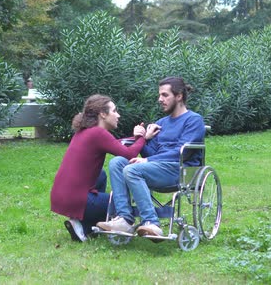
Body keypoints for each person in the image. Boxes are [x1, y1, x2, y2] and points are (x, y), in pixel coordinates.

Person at [96, 77, 205, 238]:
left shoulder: (194, 120)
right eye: (160, 95)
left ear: (179, 96)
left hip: (180, 170)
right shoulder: (161, 123)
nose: (160, 99)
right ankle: (124, 219)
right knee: (117, 162)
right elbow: (151, 154)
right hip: (158, 170)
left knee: (132, 170)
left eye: (165, 95)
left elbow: (183, 152)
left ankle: (152, 222)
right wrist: (143, 138)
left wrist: (148, 161)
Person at [50, 94, 147, 242]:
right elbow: (130, 154)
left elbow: (117, 144)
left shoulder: (85, 131)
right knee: (122, 203)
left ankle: (82, 225)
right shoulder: (99, 133)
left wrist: (135, 138)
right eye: (114, 111)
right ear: (102, 114)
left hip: (61, 197)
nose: (118, 115)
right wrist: (143, 138)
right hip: (76, 200)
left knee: (100, 175)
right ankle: (83, 223)